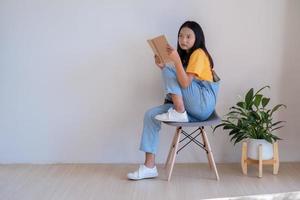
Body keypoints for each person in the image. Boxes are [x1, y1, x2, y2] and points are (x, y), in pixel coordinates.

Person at [127, 21, 220, 180]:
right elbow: (181, 84)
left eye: (188, 36)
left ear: (197, 38)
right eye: (180, 36)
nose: (183, 40)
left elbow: (184, 84)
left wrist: (173, 63)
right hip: (190, 108)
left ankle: (178, 111)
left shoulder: (198, 53)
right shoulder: (186, 57)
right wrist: (164, 66)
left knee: (170, 69)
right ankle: (149, 167)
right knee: (150, 115)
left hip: (203, 105)